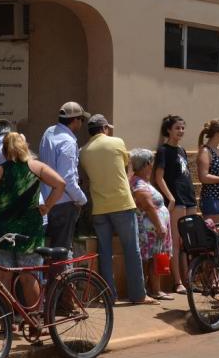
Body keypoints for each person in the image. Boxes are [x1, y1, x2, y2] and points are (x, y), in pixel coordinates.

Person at [0, 133, 65, 305]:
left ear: (4, 151)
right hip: (30, 231)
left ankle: (7, 322)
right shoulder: (37, 167)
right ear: (25, 147)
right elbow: (60, 184)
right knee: (29, 278)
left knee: (3, 277)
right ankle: (35, 321)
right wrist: (47, 206)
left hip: (2, 230)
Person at [80, 114, 155, 304]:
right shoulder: (116, 142)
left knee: (104, 252)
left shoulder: (84, 151)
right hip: (121, 203)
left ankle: (108, 296)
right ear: (104, 128)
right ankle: (138, 295)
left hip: (99, 206)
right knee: (132, 249)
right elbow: (125, 167)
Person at [38, 102, 89, 260]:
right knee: (60, 254)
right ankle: (58, 284)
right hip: (63, 204)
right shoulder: (68, 142)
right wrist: (81, 199)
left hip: (46, 200)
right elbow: (67, 178)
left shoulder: (49, 132)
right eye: (81, 119)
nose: (81, 123)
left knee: (46, 253)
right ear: (74, 120)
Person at [154, 115, 196, 295]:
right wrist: (170, 197)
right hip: (176, 200)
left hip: (189, 199)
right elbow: (158, 177)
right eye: (177, 128)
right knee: (176, 243)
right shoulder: (164, 150)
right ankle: (178, 282)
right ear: (169, 130)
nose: (181, 131)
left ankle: (189, 279)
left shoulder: (182, 150)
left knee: (188, 243)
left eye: (182, 128)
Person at [130, 149, 174, 301]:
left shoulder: (141, 181)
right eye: (151, 163)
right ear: (147, 164)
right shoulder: (139, 184)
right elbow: (148, 206)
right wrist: (160, 226)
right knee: (154, 258)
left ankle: (153, 288)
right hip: (150, 229)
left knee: (154, 258)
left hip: (152, 228)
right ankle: (155, 290)